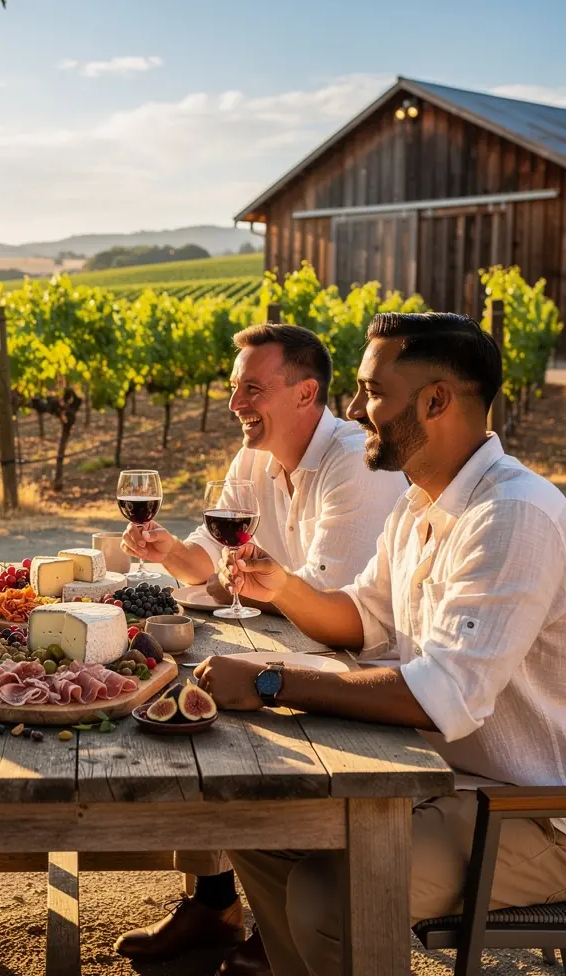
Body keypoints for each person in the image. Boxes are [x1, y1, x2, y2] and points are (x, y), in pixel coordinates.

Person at [199, 312, 566, 976]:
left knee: (326, 898)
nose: (354, 409)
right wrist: (279, 586)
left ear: (435, 401)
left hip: (530, 809)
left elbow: (440, 697)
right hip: (437, 779)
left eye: (372, 391)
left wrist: (269, 680)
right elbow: (358, 620)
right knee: (256, 825)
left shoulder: (511, 517)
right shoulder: (418, 505)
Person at [115, 324, 407, 967]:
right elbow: (211, 563)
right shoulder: (253, 458)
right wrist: (170, 552)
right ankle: (217, 904)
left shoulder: (354, 464)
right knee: (181, 709)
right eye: (232, 386)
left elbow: (330, 609)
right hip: (292, 646)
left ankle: (273, 937)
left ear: (306, 394)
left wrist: (249, 588)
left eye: (252, 387)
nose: (234, 402)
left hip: (356, 671)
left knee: (212, 720)